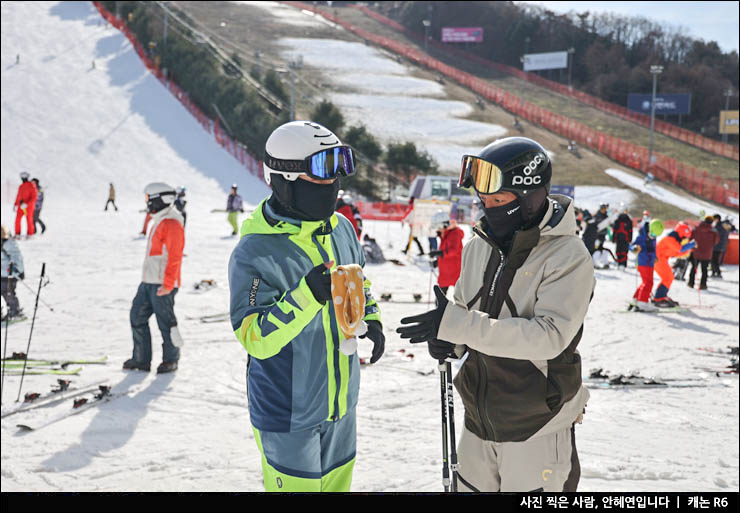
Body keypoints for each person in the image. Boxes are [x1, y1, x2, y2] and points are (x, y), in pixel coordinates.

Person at [397, 137, 594, 492]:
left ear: (530, 196)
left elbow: (548, 336)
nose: (488, 208)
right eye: (484, 200)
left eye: (499, 200)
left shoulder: (568, 255)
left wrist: (457, 325)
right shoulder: (479, 246)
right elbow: (465, 310)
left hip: (537, 423)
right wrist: (449, 342)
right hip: (479, 419)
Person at [228, 121, 385, 492]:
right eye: (320, 178)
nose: (333, 188)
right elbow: (254, 338)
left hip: (341, 409)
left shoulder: (341, 227)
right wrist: (306, 297)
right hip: (288, 415)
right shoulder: (254, 252)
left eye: (336, 177)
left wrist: (372, 318)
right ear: (284, 181)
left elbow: (359, 282)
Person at [123, 183, 185, 374]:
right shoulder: (159, 219)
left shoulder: (172, 222)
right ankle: (141, 359)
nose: (148, 203)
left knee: (165, 322)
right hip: (149, 281)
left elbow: (175, 256)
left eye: (149, 199)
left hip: (163, 284)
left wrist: (167, 284)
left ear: (161, 200)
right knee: (137, 316)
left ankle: (171, 359)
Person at [653, 222, 695, 307]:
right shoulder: (670, 239)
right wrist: (691, 244)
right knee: (668, 277)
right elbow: (679, 249)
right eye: (684, 237)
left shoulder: (673, 240)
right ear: (681, 233)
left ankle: (661, 296)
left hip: (661, 259)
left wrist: (689, 250)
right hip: (658, 259)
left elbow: (675, 253)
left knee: (668, 277)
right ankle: (659, 297)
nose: (684, 239)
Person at [629, 219, 663, 312]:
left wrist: (654, 257)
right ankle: (643, 302)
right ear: (650, 230)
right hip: (643, 262)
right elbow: (632, 245)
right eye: (653, 235)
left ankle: (636, 299)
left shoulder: (653, 237)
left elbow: (653, 248)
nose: (654, 237)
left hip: (649, 262)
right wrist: (635, 248)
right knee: (648, 282)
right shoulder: (642, 236)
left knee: (645, 282)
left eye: (656, 236)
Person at [428, 216, 464, 295]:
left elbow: (454, 250)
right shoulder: (445, 234)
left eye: (438, 227)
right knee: (440, 296)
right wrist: (438, 261)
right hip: (446, 270)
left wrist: (440, 253)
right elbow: (446, 249)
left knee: (460, 295)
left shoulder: (455, 233)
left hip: (454, 269)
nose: (437, 229)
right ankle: (441, 307)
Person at [1, 225, 25, 321]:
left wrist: (17, 271)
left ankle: (15, 311)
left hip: (9, 275)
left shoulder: (9, 244)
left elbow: (17, 259)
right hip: (2, 274)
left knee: (8, 293)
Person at [688, 216, 719, 290]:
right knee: (704, 270)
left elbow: (690, 238)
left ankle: (691, 283)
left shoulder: (696, 228)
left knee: (693, 268)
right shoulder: (714, 231)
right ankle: (703, 285)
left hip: (696, 251)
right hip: (707, 253)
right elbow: (716, 241)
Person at [14, 172, 37, 237]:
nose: (23, 179)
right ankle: (17, 233)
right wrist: (15, 204)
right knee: (17, 220)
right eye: (22, 177)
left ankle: (30, 234)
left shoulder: (31, 185)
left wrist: (27, 204)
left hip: (29, 207)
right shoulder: (21, 186)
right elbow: (18, 196)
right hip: (20, 206)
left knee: (29, 220)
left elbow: (34, 197)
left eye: (24, 177)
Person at [711, 214, 730, 278]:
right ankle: (714, 272)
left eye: (714, 219)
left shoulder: (719, 226)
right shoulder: (722, 225)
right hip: (719, 245)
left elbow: (717, 235)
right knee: (714, 260)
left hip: (717, 246)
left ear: (717, 219)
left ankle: (717, 272)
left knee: (714, 260)